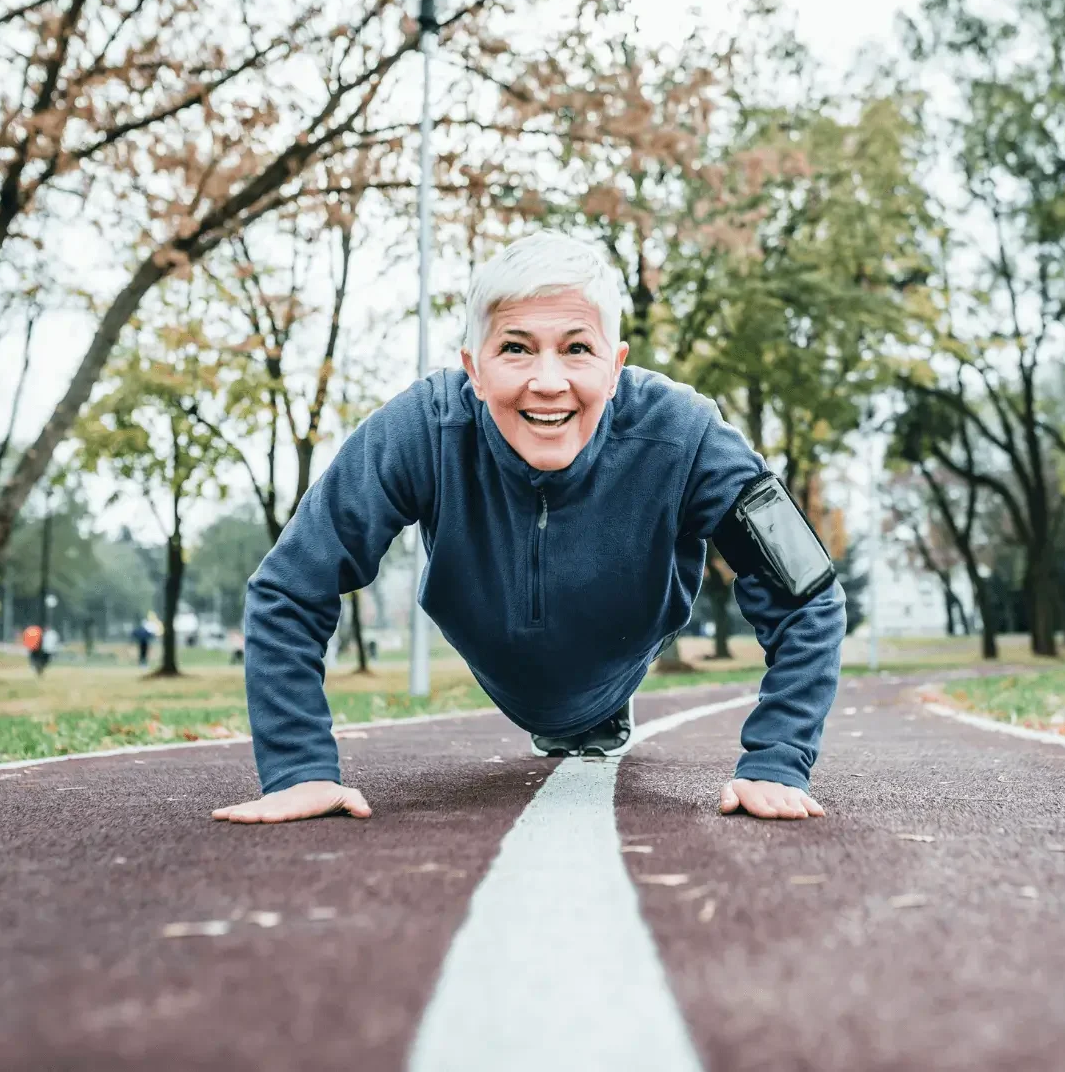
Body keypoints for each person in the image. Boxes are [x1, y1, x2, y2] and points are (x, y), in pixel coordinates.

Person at [213, 232, 844, 826]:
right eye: (515, 347)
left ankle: (596, 715)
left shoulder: (688, 435)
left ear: (616, 365)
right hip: (492, 638)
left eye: (577, 348)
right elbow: (289, 587)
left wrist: (777, 761)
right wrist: (297, 769)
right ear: (474, 367)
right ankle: (577, 716)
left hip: (619, 646)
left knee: (587, 716)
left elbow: (808, 593)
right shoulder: (420, 430)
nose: (548, 381)